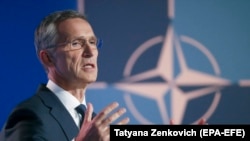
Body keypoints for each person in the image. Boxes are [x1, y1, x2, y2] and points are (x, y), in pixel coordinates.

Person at [0, 9, 129, 141]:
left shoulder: (94, 126)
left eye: (92, 42)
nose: (90, 52)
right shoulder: (29, 115)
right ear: (48, 58)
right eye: (76, 43)